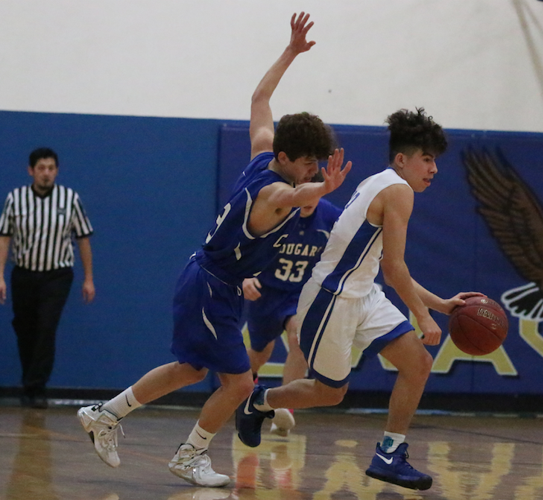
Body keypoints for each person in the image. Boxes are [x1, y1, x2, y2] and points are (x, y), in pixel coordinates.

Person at [76, 12, 350, 488]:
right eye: (309, 163)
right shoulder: (275, 191)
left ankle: (106, 415)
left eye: (318, 165)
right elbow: (294, 197)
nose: (313, 170)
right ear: (286, 158)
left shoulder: (264, 149)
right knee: (241, 383)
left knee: (189, 369)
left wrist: (290, 51)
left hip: (213, 281)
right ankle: (187, 454)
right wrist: (322, 190)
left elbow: (260, 98)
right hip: (211, 287)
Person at [235, 107, 483, 491]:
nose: (433, 169)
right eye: (427, 159)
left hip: (363, 292)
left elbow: (383, 264)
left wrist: (440, 304)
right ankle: (259, 401)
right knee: (330, 393)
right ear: (402, 159)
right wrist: (423, 316)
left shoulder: (382, 183)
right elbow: (395, 269)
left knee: (417, 363)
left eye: (435, 160)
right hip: (331, 298)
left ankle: (389, 453)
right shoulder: (397, 190)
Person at [0, 147, 96, 409]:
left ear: (57, 171)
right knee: (24, 328)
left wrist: (89, 278)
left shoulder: (70, 199)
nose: (46, 173)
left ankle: (36, 388)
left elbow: (83, 238)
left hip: (57, 274)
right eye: (41, 168)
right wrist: (0, 275)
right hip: (24, 273)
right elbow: (4, 237)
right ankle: (29, 383)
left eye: (51, 168)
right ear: (31, 170)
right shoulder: (15, 199)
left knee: (46, 327)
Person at [241, 193, 342, 437]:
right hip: (265, 293)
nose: (308, 201)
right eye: (304, 194)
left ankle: (284, 408)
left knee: (299, 337)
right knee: (259, 353)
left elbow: (359, 235)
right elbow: (242, 241)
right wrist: (244, 274)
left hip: (300, 292)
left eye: (314, 195)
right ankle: (247, 387)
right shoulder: (275, 211)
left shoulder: (330, 215)